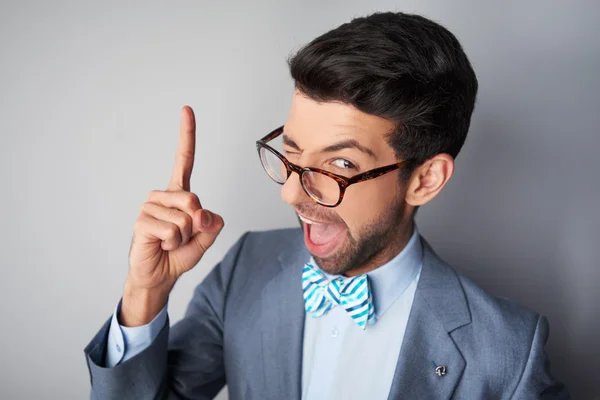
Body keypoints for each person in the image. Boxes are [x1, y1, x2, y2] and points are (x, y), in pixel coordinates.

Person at [84, 11, 568, 399]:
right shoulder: (244, 269)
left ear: (424, 180)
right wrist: (145, 294)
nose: (291, 194)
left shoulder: (508, 352)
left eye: (338, 165)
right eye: (291, 154)